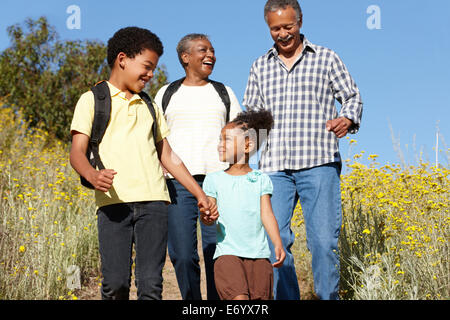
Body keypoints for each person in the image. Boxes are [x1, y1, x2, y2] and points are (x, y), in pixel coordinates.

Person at [69, 27, 216, 300]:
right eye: (147, 67)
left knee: (151, 286)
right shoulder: (92, 100)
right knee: (116, 284)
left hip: (154, 203)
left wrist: (200, 194)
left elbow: (168, 156)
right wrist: (91, 174)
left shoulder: (149, 105)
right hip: (113, 204)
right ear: (122, 59)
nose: (150, 75)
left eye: (153, 68)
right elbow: (76, 152)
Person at [242, 0, 363, 300]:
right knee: (275, 240)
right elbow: (252, 114)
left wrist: (347, 118)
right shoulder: (260, 65)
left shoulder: (326, 58)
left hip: (318, 161)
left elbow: (352, 96)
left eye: (288, 26)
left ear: (300, 21)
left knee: (323, 242)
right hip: (273, 167)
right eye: (275, 28)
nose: (282, 34)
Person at [154, 34, 242, 300]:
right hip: (177, 184)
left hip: (218, 183)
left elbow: (240, 135)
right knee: (181, 254)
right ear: (185, 57)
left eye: (213, 51)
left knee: (216, 250)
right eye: (203, 50)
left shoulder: (224, 92)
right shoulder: (166, 93)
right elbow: (155, 137)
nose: (210, 55)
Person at [200, 108, 286, 300]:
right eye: (219, 139)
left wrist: (278, 243)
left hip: (260, 257)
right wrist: (206, 217)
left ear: (247, 146)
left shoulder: (261, 179)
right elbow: (208, 216)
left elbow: (267, 214)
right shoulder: (213, 180)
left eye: (226, 140)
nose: (219, 145)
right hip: (227, 254)